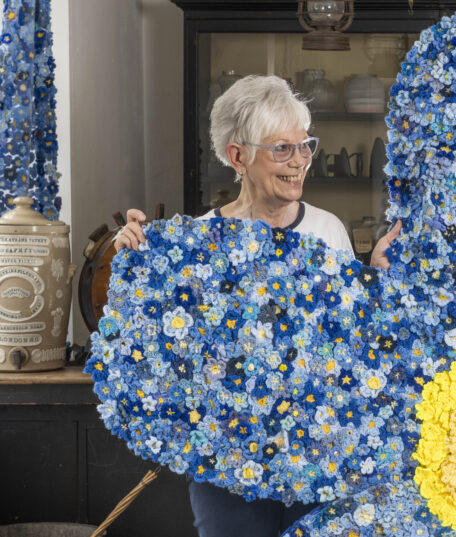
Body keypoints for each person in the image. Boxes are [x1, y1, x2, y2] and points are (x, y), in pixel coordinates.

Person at [112, 75, 367, 537]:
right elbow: (166, 350)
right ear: (238, 156)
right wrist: (135, 261)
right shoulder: (196, 240)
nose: (300, 162)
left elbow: (352, 340)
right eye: (281, 149)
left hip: (316, 455)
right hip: (229, 463)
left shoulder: (328, 232)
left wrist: (379, 283)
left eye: (305, 146)